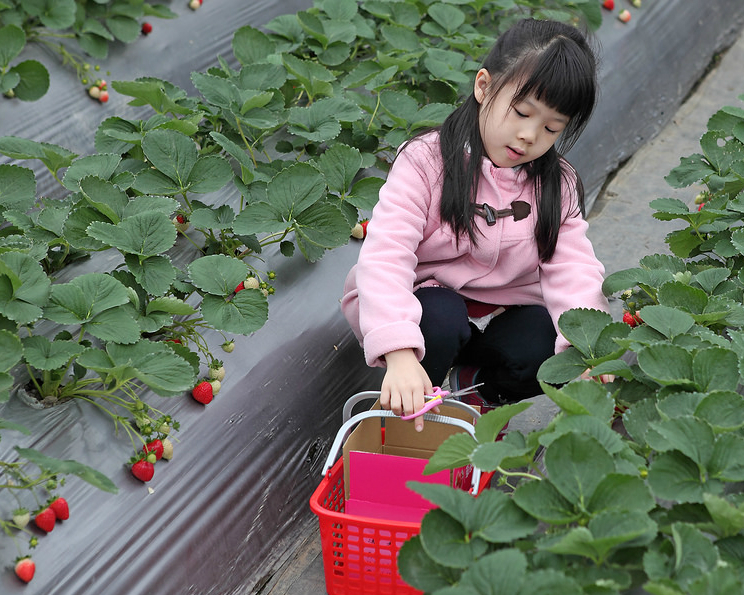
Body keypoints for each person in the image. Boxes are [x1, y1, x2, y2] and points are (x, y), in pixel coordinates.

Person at [340, 18, 610, 431]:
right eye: (521, 112)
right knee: (441, 320)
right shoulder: (427, 162)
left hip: (499, 314)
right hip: (425, 309)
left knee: (544, 342)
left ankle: (479, 393)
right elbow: (386, 255)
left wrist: (588, 349)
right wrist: (397, 353)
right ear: (483, 87)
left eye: (551, 128)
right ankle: (415, 408)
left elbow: (573, 269)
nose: (528, 136)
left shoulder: (556, 184)